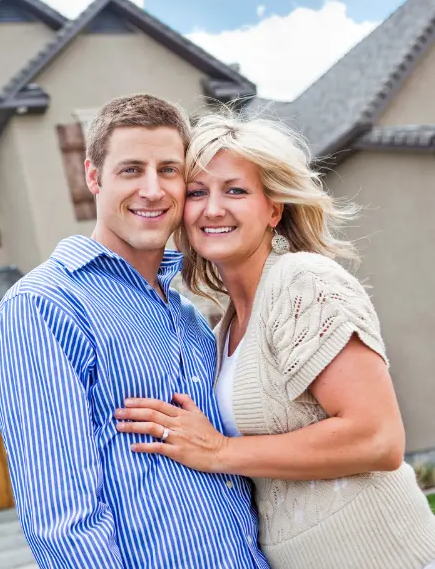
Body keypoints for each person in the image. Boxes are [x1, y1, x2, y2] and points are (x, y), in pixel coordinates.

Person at [114, 110, 435, 569]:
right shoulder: (225, 326)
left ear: (274, 209)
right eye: (198, 192)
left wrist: (220, 451)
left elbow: (379, 439)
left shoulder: (303, 283)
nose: (212, 208)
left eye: (236, 190)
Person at [0, 95, 269, 569]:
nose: (153, 190)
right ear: (93, 177)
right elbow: (63, 523)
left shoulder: (187, 313)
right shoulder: (43, 307)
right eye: (131, 169)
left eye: (169, 170)